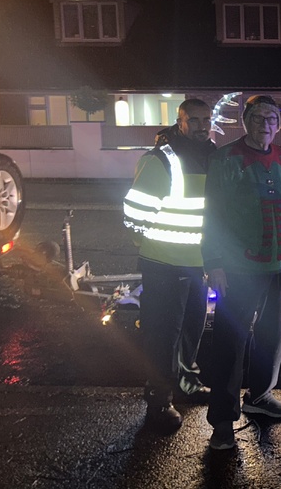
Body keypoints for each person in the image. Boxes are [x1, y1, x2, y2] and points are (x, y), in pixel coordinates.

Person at [202, 95, 281, 451]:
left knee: (273, 336)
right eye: (259, 117)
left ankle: (260, 395)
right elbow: (213, 215)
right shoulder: (226, 159)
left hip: (279, 265)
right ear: (245, 120)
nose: (266, 124)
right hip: (237, 269)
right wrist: (214, 262)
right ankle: (222, 420)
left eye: (272, 118)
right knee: (229, 343)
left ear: (279, 124)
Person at [123, 98, 216, 434]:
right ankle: (159, 401)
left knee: (191, 330)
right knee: (162, 336)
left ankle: (187, 384)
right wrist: (150, 247)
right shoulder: (161, 159)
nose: (202, 126)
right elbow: (134, 214)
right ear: (180, 122)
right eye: (195, 120)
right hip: (163, 264)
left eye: (207, 119)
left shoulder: (213, 156)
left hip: (198, 263)